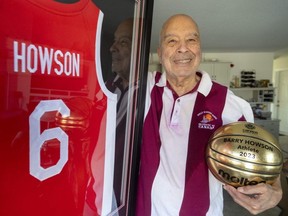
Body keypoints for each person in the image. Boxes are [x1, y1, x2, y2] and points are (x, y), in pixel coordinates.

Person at [136, 14, 282, 216]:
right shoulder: (143, 88)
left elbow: (259, 151)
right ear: (160, 53)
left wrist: (275, 190)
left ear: (200, 50)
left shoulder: (227, 102)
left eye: (191, 40)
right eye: (172, 41)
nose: (183, 48)